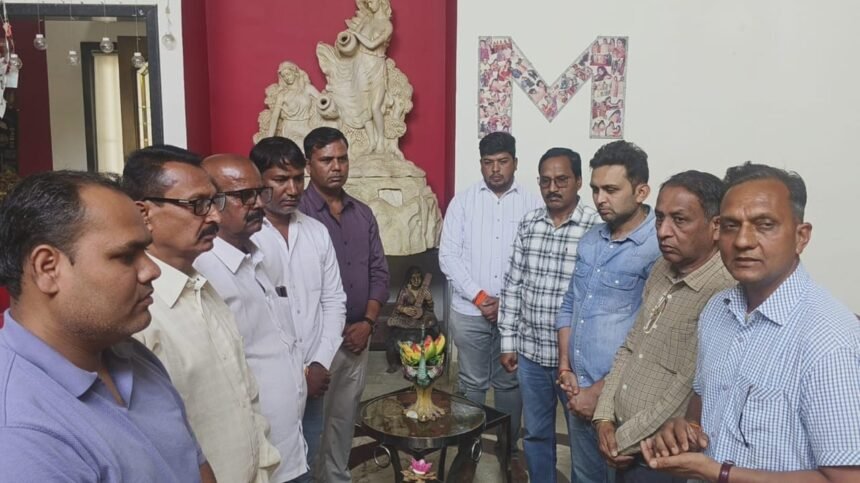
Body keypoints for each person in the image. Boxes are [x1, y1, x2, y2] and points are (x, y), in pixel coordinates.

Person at [641, 163, 860, 482]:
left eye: (765, 225)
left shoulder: (829, 341)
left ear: (801, 237)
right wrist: (685, 429)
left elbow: (846, 479)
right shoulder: (717, 310)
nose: (743, 241)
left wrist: (719, 473)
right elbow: (701, 406)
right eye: (731, 226)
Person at [0, 171, 214, 482]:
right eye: (126, 256)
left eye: (146, 251)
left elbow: (195, 466)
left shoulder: (132, 355)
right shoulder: (20, 432)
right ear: (48, 268)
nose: (152, 270)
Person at [122, 146, 281, 483]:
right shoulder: (136, 314)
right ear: (143, 213)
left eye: (214, 202)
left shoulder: (202, 288)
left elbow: (246, 396)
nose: (214, 218)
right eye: (197, 204)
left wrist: (263, 468)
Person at [591, 171, 734, 483]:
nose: (664, 232)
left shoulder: (723, 292)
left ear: (716, 226)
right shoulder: (661, 268)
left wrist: (620, 440)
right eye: (659, 218)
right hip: (621, 442)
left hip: (659, 457)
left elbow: (687, 388)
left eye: (679, 220)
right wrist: (603, 417)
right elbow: (631, 346)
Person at [192, 154, 310, 483]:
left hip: (289, 442)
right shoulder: (204, 270)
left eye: (260, 192)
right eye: (244, 196)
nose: (258, 203)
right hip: (253, 457)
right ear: (210, 203)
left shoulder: (258, 255)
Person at [555, 140, 661, 483]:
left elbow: (652, 339)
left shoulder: (658, 247)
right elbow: (570, 303)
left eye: (611, 190)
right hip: (578, 390)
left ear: (641, 191)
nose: (600, 199)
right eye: (596, 189)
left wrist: (598, 393)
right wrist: (565, 367)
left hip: (624, 398)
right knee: (584, 476)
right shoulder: (591, 240)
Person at [439, 131, 540, 481]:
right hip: (470, 312)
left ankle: (509, 450)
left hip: (515, 315)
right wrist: (481, 297)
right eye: (488, 162)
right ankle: (467, 451)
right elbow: (448, 256)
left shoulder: (532, 204)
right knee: (471, 382)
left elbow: (535, 259)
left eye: (502, 162)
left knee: (510, 383)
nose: (495, 169)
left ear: (515, 162)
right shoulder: (463, 202)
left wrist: (507, 304)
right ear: (480, 164)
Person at [249, 136, 347, 483]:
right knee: (266, 467)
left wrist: (320, 362)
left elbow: (334, 301)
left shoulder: (317, 232)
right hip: (265, 384)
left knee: (307, 461)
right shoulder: (246, 238)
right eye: (280, 180)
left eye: (297, 179)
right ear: (257, 180)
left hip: (314, 378)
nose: (292, 190)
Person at [498, 147, 599, 483]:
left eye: (561, 180)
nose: (552, 188)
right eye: (545, 181)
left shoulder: (596, 228)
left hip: (577, 362)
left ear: (579, 181)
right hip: (531, 354)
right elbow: (513, 284)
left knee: (584, 439)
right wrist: (508, 341)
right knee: (536, 434)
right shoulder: (530, 224)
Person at [297, 126, 390, 483]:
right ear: (309, 165)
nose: (336, 167)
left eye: (342, 158)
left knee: (343, 420)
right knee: (310, 423)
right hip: (315, 341)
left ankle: (337, 477)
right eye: (326, 160)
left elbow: (379, 271)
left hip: (357, 338)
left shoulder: (362, 214)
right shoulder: (297, 215)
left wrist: (368, 322)